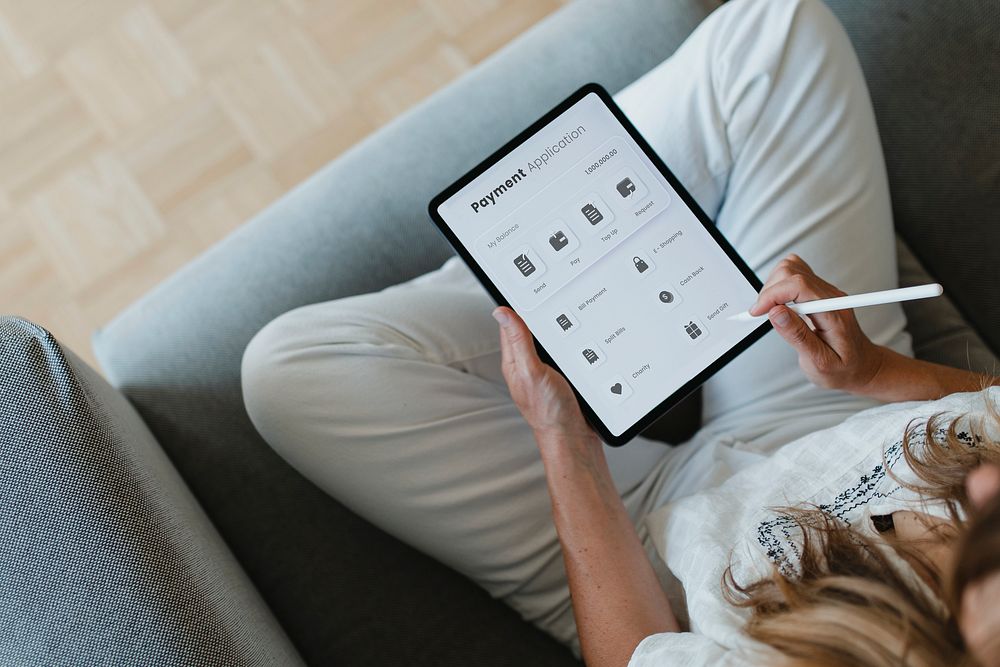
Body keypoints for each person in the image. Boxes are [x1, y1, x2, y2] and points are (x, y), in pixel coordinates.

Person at [240, 0, 1000, 664]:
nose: (988, 482)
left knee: (290, 370)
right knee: (772, 36)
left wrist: (562, 439)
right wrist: (871, 373)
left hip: (649, 555)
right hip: (829, 408)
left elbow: (638, 652)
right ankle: (561, 252)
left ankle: (536, 272)